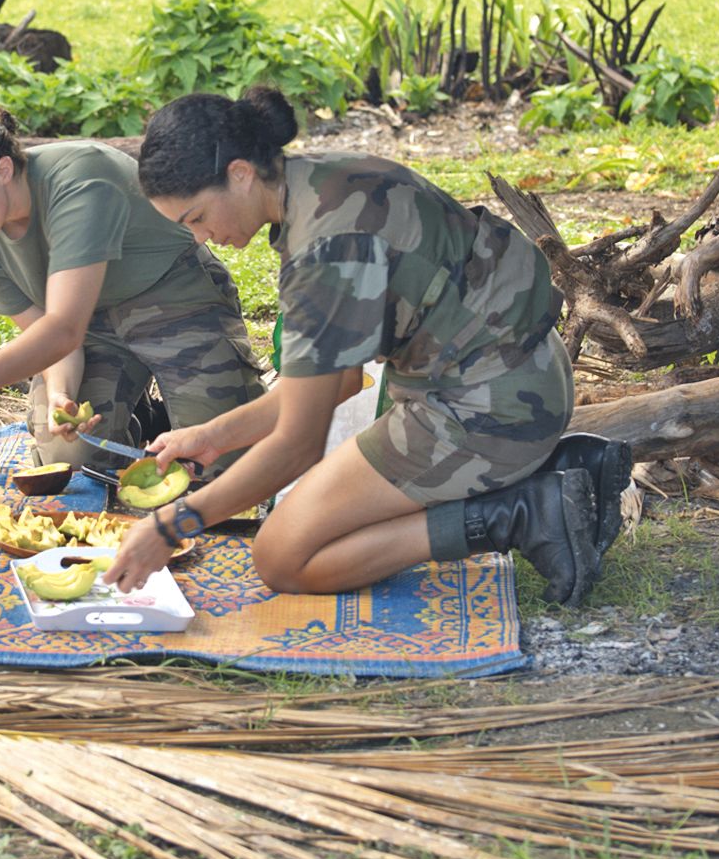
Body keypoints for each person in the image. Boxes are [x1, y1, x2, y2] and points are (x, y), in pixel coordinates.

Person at [103, 87, 632, 608]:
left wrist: (175, 523)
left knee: (282, 556)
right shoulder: (325, 179)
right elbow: (337, 382)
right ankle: (556, 473)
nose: (200, 237)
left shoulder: (324, 252)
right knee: (320, 518)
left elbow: (299, 444)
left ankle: (520, 511)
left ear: (240, 174)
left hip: (485, 413)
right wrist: (213, 436)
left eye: (195, 217)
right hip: (525, 376)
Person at [0, 106, 266, 468]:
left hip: (174, 297)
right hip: (87, 326)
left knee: (223, 462)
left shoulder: (80, 178)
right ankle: (144, 418)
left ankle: (179, 408)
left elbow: (62, 328)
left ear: (4, 170)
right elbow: (52, 338)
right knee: (69, 457)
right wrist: (61, 395)